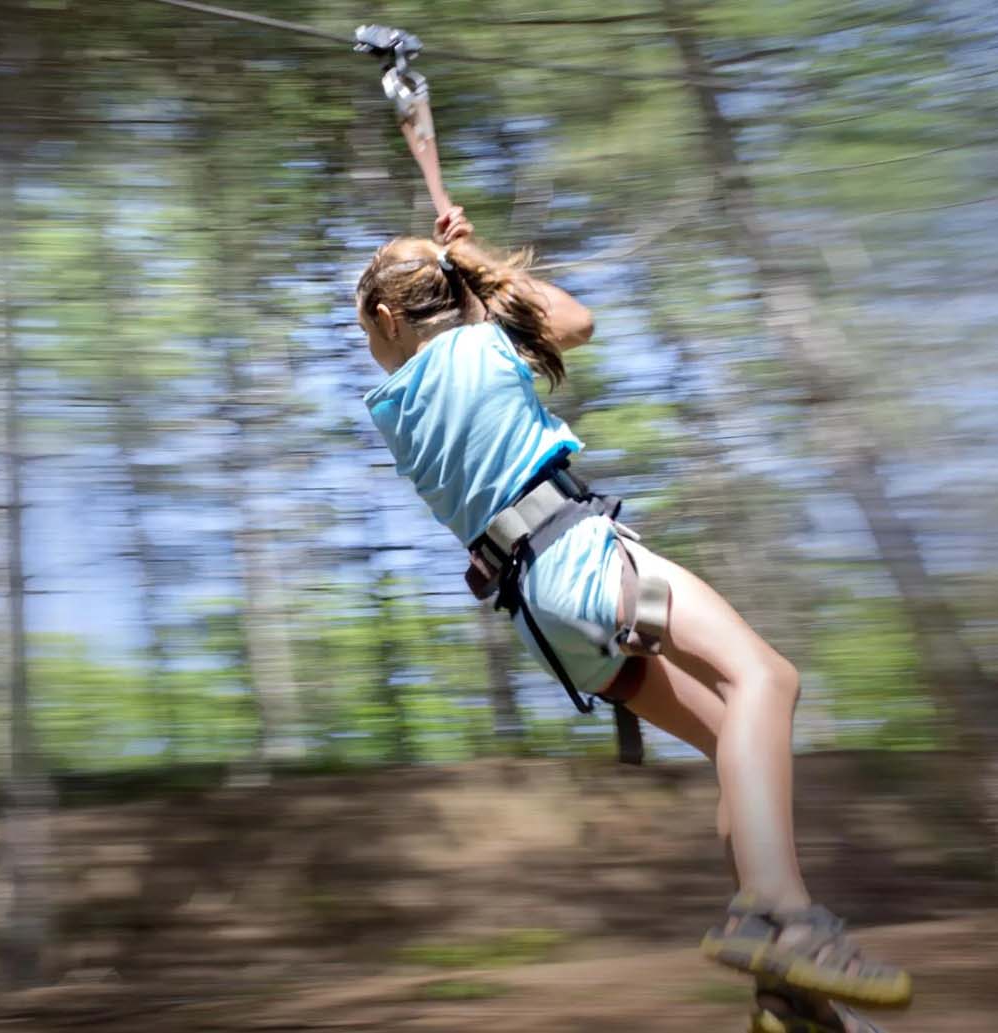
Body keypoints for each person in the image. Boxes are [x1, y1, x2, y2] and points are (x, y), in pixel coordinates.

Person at [356, 207, 912, 1033]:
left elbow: (480, 331)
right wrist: (473, 254)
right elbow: (575, 321)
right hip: (578, 555)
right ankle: (787, 925)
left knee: (737, 740)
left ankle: (787, 995)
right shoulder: (483, 345)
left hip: (543, 614)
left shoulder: (392, 407)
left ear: (387, 319)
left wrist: (459, 267)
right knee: (769, 678)